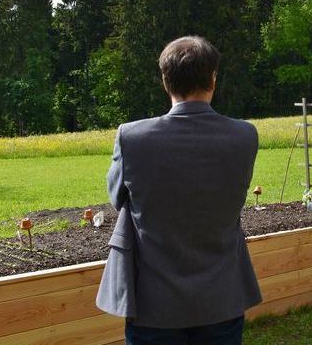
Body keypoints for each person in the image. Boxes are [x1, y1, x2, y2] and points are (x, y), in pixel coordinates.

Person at [96, 36, 262, 344]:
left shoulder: (132, 138)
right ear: (213, 79)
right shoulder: (244, 136)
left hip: (154, 304)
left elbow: (117, 197)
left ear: (165, 82)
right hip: (222, 299)